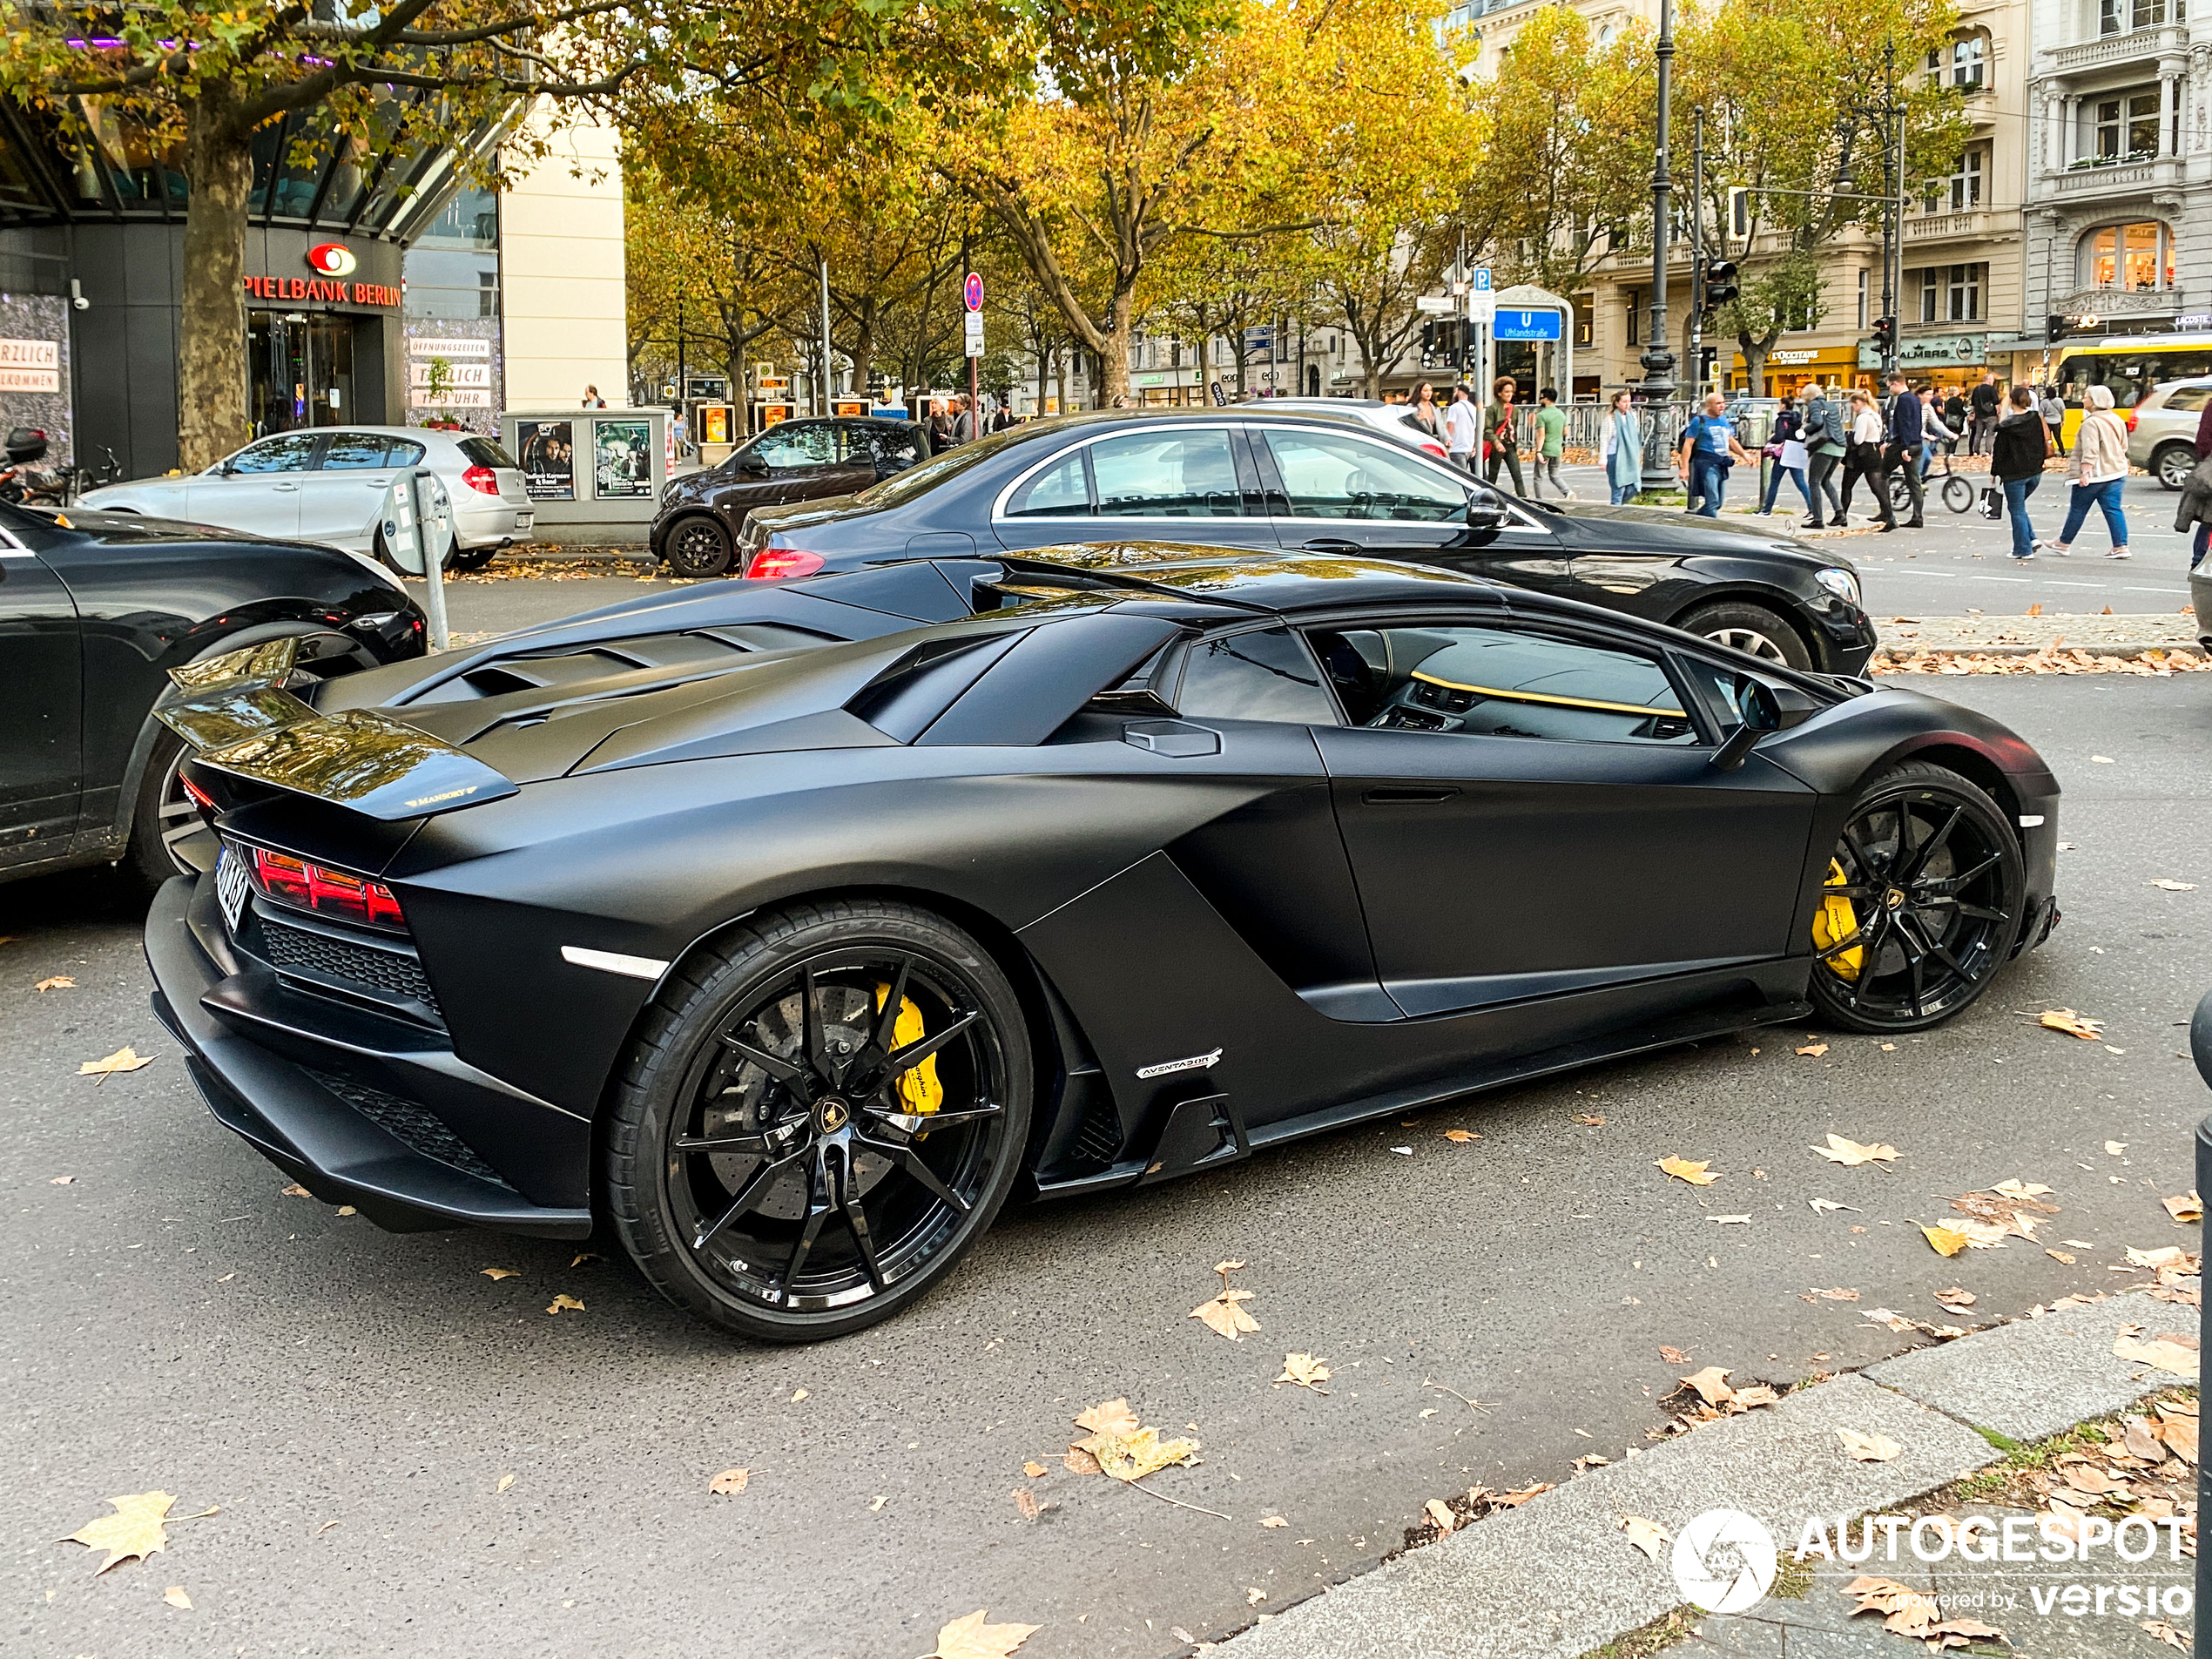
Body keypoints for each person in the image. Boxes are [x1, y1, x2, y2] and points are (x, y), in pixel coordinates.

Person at [2039, 382, 2130, 558]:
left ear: (2095, 401)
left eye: (2086, 396)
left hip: (2096, 474)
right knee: (2113, 509)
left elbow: (2090, 450)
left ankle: (2064, 543)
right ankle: (2121, 546)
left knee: (2078, 509)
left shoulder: (2091, 423)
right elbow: (2124, 445)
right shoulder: (2116, 419)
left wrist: (2085, 472)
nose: (2083, 399)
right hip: (2116, 471)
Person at [1990, 384, 2051, 562]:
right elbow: (2041, 442)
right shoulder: (2036, 419)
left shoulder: (2006, 427)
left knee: (2016, 509)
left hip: (2014, 474)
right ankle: (2030, 539)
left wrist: (1994, 472)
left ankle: (2023, 549)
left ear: (2011, 401)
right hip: (2034, 471)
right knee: (2018, 507)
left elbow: (2000, 452)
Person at [1676, 391, 1752, 517]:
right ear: (1708, 406)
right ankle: (1712, 526)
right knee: (1713, 502)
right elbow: (1688, 445)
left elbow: (1731, 441)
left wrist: (1745, 455)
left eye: (1723, 403)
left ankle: (1695, 518)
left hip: (1721, 463)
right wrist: (1684, 468)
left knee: (1718, 503)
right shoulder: (1699, 421)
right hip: (1706, 464)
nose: (1722, 406)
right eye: (1718, 403)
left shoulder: (1724, 420)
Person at [1837, 388, 1893, 529]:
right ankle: (1890, 516)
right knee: (1877, 487)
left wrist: (1850, 436)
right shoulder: (1875, 415)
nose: (1853, 409)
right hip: (1874, 452)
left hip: (1860, 454)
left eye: (1853, 405)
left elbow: (1858, 440)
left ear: (1858, 402)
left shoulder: (1862, 417)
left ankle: (1842, 516)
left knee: (1847, 486)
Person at [1800, 381, 1848, 529]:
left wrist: (1805, 428)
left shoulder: (1814, 405)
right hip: (1840, 447)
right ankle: (1840, 513)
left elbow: (1817, 422)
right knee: (1826, 480)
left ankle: (1818, 519)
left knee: (1814, 481)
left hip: (1825, 446)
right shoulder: (1832, 405)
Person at [1881, 372, 1925, 531]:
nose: (1889, 390)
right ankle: (1917, 517)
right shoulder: (1914, 398)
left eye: (1889, 387)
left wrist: (1903, 446)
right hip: (1917, 443)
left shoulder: (1903, 399)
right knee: (1914, 482)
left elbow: (1903, 424)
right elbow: (1916, 423)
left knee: (1881, 475)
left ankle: (1886, 514)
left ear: (1896, 384)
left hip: (1904, 444)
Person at [1759, 395, 1812, 517]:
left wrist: (1771, 440)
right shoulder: (1797, 418)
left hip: (1783, 454)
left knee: (1774, 482)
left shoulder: (1781, 419)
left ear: (1783, 405)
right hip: (1795, 452)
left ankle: (1767, 509)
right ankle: (1812, 508)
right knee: (1801, 483)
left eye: (1779, 404)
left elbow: (1779, 437)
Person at [1600, 388, 1642, 504]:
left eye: (1629, 401)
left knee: (1633, 488)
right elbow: (1604, 440)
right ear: (1617, 403)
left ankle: (1619, 506)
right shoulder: (1610, 419)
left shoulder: (1632, 417)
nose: (1627, 404)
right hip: (1615, 456)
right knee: (1617, 489)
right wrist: (1603, 460)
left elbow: (1635, 436)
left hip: (1629, 457)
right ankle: (1615, 508)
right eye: (1624, 402)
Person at [1484, 377, 1525, 494]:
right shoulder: (1492, 409)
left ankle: (1523, 498)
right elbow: (1488, 430)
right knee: (1493, 476)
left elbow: (1514, 428)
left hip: (1510, 446)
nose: (1509, 394)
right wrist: (1496, 443)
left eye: (1511, 392)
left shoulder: (1514, 410)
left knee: (1517, 475)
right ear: (1499, 393)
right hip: (1497, 447)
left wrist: (1516, 443)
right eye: (1506, 392)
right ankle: (1487, 497)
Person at [1532, 388, 1568, 498]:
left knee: (1538, 477)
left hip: (1545, 449)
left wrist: (1539, 451)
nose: (1540, 400)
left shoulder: (1542, 415)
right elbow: (1565, 432)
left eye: (1541, 397)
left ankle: (1539, 499)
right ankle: (1567, 492)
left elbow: (1541, 435)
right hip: (1557, 449)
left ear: (1546, 399)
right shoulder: (1561, 414)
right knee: (1554, 475)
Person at [1444, 383, 1480, 472]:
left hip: (1456, 447)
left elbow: (1450, 425)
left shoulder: (1454, 407)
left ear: (1459, 392)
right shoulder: (1473, 408)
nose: (1454, 394)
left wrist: (1447, 441)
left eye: (1455, 392)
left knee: (1458, 474)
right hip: (1469, 447)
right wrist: (1474, 445)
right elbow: (1475, 428)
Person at [1967, 369, 2000, 455]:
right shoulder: (1992, 389)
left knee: (1978, 434)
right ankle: (1987, 451)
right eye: (1992, 379)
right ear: (1988, 380)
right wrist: (1998, 413)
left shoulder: (1976, 389)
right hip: (1991, 415)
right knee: (1990, 434)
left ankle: (1976, 451)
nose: (1993, 381)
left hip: (1979, 415)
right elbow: (1996, 403)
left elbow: (1973, 404)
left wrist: (1973, 413)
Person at [1409, 381, 1447, 447]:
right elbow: (1406, 426)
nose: (1428, 393)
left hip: (1435, 443)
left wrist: (1447, 439)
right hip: (1418, 443)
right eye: (1425, 391)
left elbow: (1442, 426)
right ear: (1419, 392)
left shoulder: (1435, 408)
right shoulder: (1412, 407)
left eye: (1430, 390)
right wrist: (1418, 418)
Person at [2040, 384, 2067, 456]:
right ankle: (2062, 452)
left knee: (2047, 438)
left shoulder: (2043, 402)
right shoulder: (2059, 400)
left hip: (2047, 422)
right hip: (2057, 422)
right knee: (2058, 438)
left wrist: (2043, 423)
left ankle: (2047, 452)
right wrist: (2063, 420)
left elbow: (2041, 413)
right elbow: (2062, 411)